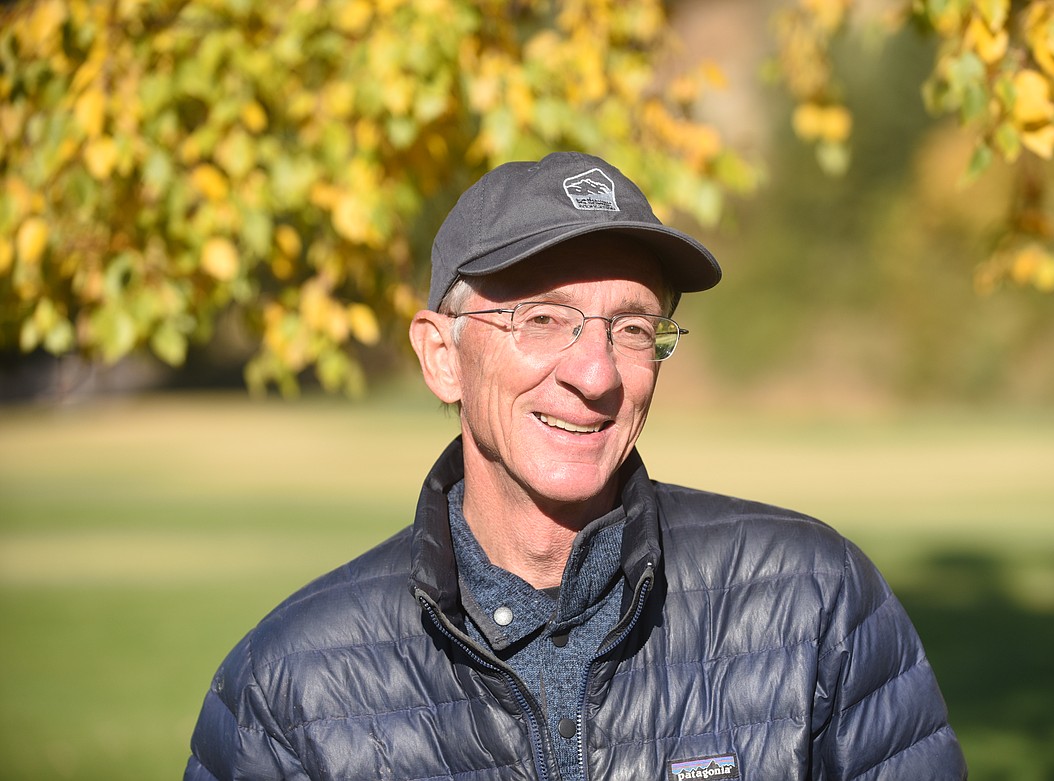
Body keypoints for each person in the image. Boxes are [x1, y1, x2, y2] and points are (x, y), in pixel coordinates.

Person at [184, 151, 967, 780]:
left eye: (632, 327)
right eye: (544, 318)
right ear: (441, 356)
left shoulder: (814, 605)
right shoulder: (289, 689)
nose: (595, 373)